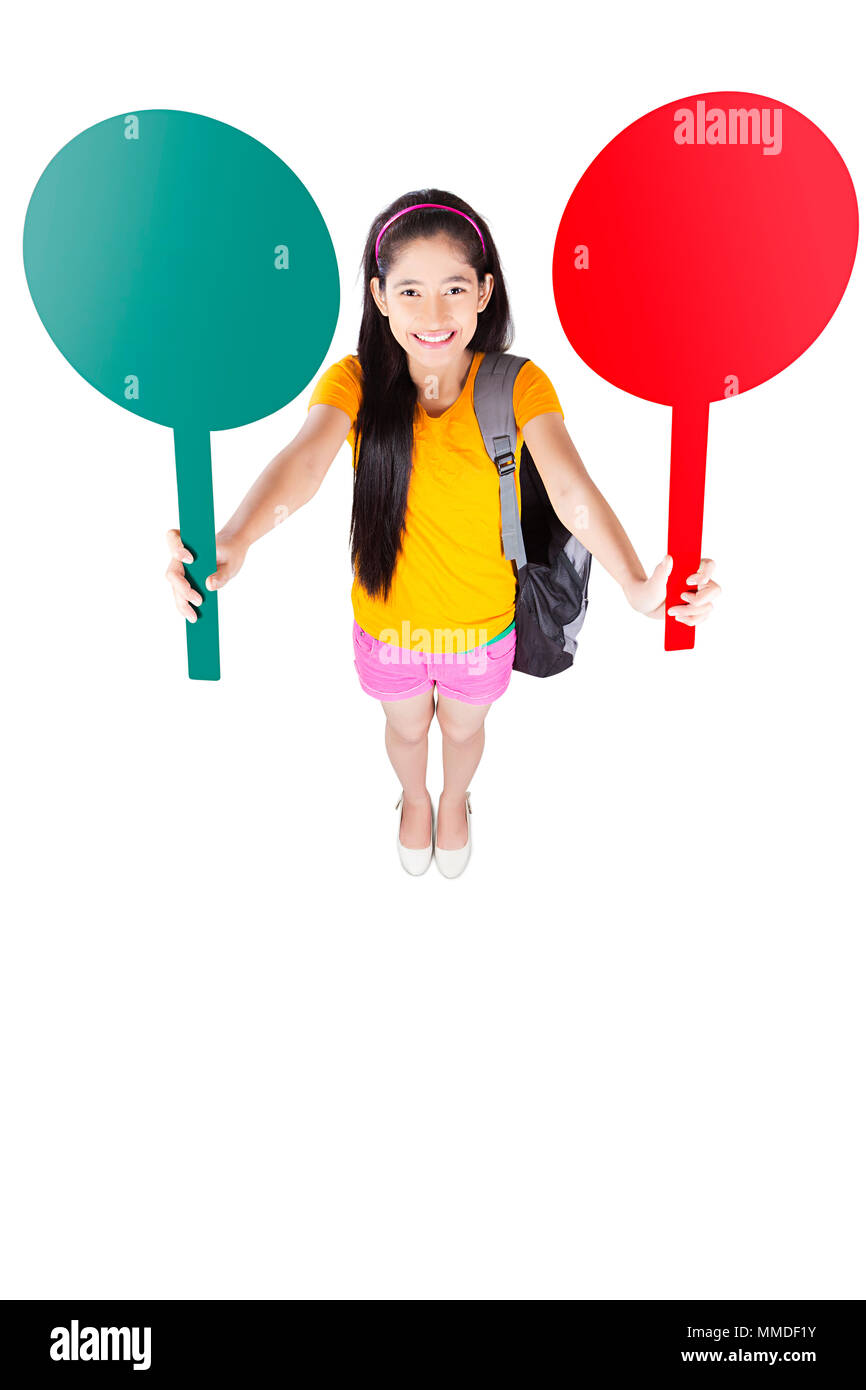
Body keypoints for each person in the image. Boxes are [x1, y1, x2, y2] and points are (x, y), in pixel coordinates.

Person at [165, 190, 720, 877]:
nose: (434, 314)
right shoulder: (356, 381)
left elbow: (573, 490)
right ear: (381, 296)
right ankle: (412, 798)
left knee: (463, 728)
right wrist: (238, 535)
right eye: (411, 291)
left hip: (482, 628)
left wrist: (638, 583)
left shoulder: (517, 385)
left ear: (486, 291)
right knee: (404, 729)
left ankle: (455, 797)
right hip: (388, 626)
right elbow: (304, 462)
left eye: (455, 288)